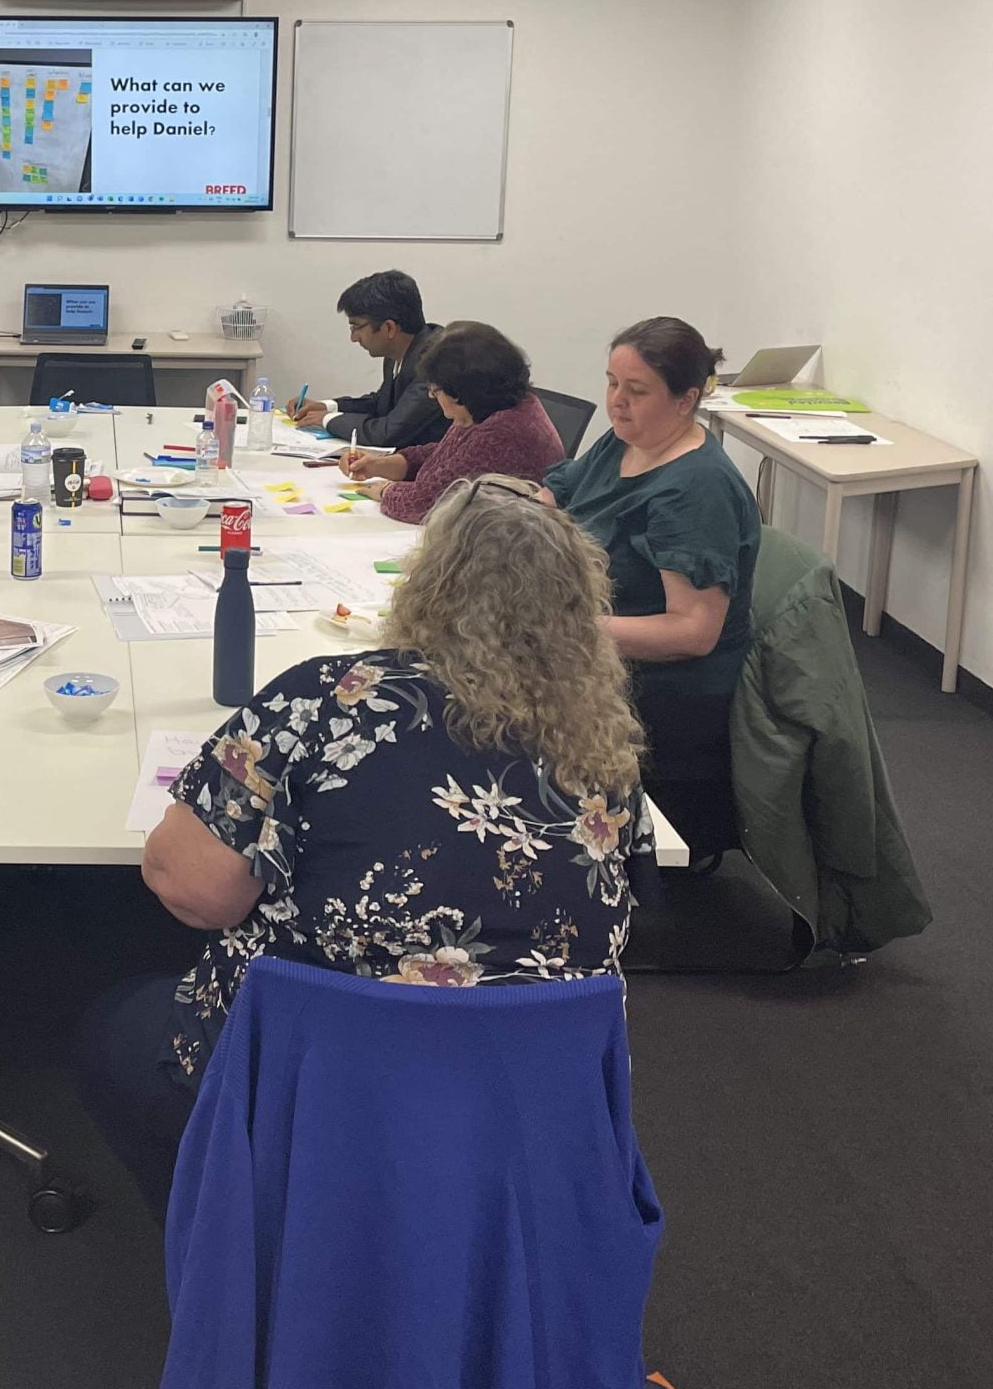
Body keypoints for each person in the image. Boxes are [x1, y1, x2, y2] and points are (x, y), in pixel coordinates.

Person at [76, 475, 646, 1217]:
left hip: (321, 1091)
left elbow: (195, 892)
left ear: (426, 587)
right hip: (532, 1105)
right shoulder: (606, 753)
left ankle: (236, 1243)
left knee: (117, 1024)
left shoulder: (331, 697)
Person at [543, 317, 761, 859]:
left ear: (687, 399)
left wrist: (562, 630)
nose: (617, 402)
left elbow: (693, 631)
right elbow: (561, 490)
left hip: (657, 690)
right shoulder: (627, 441)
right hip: (597, 642)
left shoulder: (694, 490)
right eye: (612, 383)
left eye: (636, 391)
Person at [336, 321, 564, 521]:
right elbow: (447, 454)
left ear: (463, 391)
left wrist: (386, 491)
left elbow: (425, 505)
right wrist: (384, 464)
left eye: (435, 389)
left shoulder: (504, 432)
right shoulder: (489, 406)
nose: (430, 396)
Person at [284, 269, 445, 449]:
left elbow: (388, 433)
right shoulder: (401, 349)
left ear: (389, 328)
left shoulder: (436, 362)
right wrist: (328, 407)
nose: (353, 338)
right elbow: (382, 403)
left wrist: (327, 420)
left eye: (356, 327)